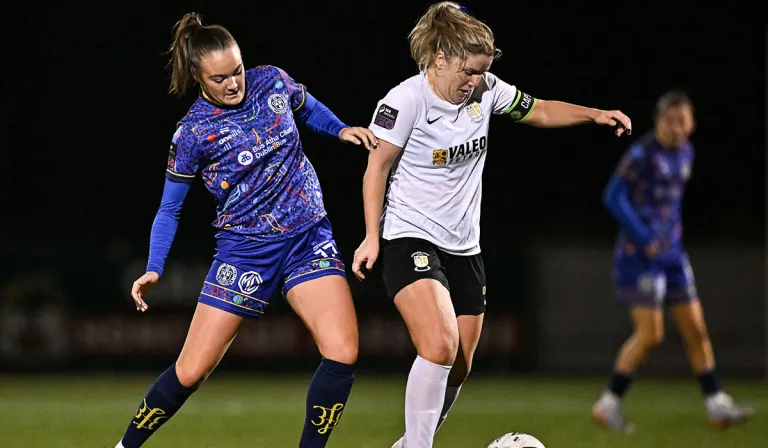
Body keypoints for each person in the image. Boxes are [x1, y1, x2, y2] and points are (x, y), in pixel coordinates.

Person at [350, 3, 632, 447]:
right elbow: (375, 169)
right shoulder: (404, 101)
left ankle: (407, 444)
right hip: (409, 236)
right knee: (439, 347)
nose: (475, 81)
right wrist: (370, 236)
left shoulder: (486, 90)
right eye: (468, 71)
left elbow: (538, 109)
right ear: (440, 57)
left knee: (458, 365)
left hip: (465, 246)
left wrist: (594, 114)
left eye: (482, 72)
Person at [115, 12, 378, 448]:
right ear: (198, 76)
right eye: (219, 78)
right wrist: (154, 267)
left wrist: (340, 129)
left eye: (236, 71)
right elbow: (169, 209)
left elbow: (306, 107)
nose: (233, 83)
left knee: (343, 352)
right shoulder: (193, 131)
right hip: (245, 252)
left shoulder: (271, 80)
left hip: (307, 237)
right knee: (191, 371)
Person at [591, 90, 755, 433]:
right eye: (669, 121)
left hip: (673, 256)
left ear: (692, 124)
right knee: (650, 335)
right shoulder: (641, 155)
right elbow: (613, 197)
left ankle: (716, 405)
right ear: (658, 122)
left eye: (682, 121)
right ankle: (609, 404)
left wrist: (670, 242)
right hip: (641, 257)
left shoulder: (686, 153)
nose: (676, 128)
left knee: (696, 329)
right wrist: (644, 237)